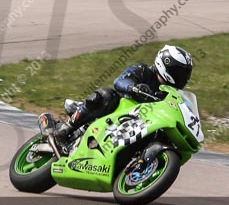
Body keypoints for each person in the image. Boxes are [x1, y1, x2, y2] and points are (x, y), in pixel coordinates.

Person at [46, 45, 193, 156]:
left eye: (185, 74)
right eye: (179, 72)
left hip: (140, 124)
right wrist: (134, 87)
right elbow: (119, 81)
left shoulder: (172, 93)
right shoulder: (142, 70)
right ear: (166, 65)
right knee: (106, 95)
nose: (182, 78)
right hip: (117, 112)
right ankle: (65, 131)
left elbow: (183, 108)